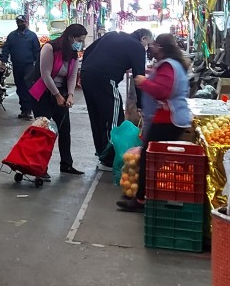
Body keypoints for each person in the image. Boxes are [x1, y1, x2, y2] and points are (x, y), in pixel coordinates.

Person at [117, 33, 193, 212]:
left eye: (154, 45)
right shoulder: (174, 64)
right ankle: (152, 195)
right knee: (155, 159)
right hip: (171, 118)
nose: (151, 48)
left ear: (161, 47)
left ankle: (142, 199)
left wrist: (144, 83)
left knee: (149, 158)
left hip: (168, 119)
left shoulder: (168, 65)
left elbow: (163, 91)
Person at [81, 28, 152, 170]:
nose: (147, 47)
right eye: (148, 43)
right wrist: (141, 104)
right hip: (105, 78)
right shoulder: (137, 47)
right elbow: (139, 77)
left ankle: (102, 153)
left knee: (97, 116)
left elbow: (88, 50)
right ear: (143, 38)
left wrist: (88, 67)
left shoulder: (112, 35)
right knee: (115, 118)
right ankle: (110, 159)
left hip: (86, 74)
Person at [28, 24, 88, 181]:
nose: (81, 43)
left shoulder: (74, 54)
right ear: (70, 37)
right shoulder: (49, 48)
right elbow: (45, 74)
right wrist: (57, 95)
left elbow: (72, 76)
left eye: (82, 41)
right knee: (43, 131)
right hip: (43, 93)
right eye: (79, 40)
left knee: (64, 130)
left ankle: (66, 164)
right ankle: (39, 168)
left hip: (60, 92)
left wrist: (70, 95)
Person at [1, 15, 41, 119]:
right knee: (20, 87)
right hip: (17, 65)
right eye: (18, 22)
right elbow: (6, 49)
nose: (20, 24)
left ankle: (29, 110)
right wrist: (3, 60)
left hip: (29, 66)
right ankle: (24, 109)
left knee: (29, 87)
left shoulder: (32, 36)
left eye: (22, 22)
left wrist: (38, 65)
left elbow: (37, 51)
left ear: (26, 22)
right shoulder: (12, 36)